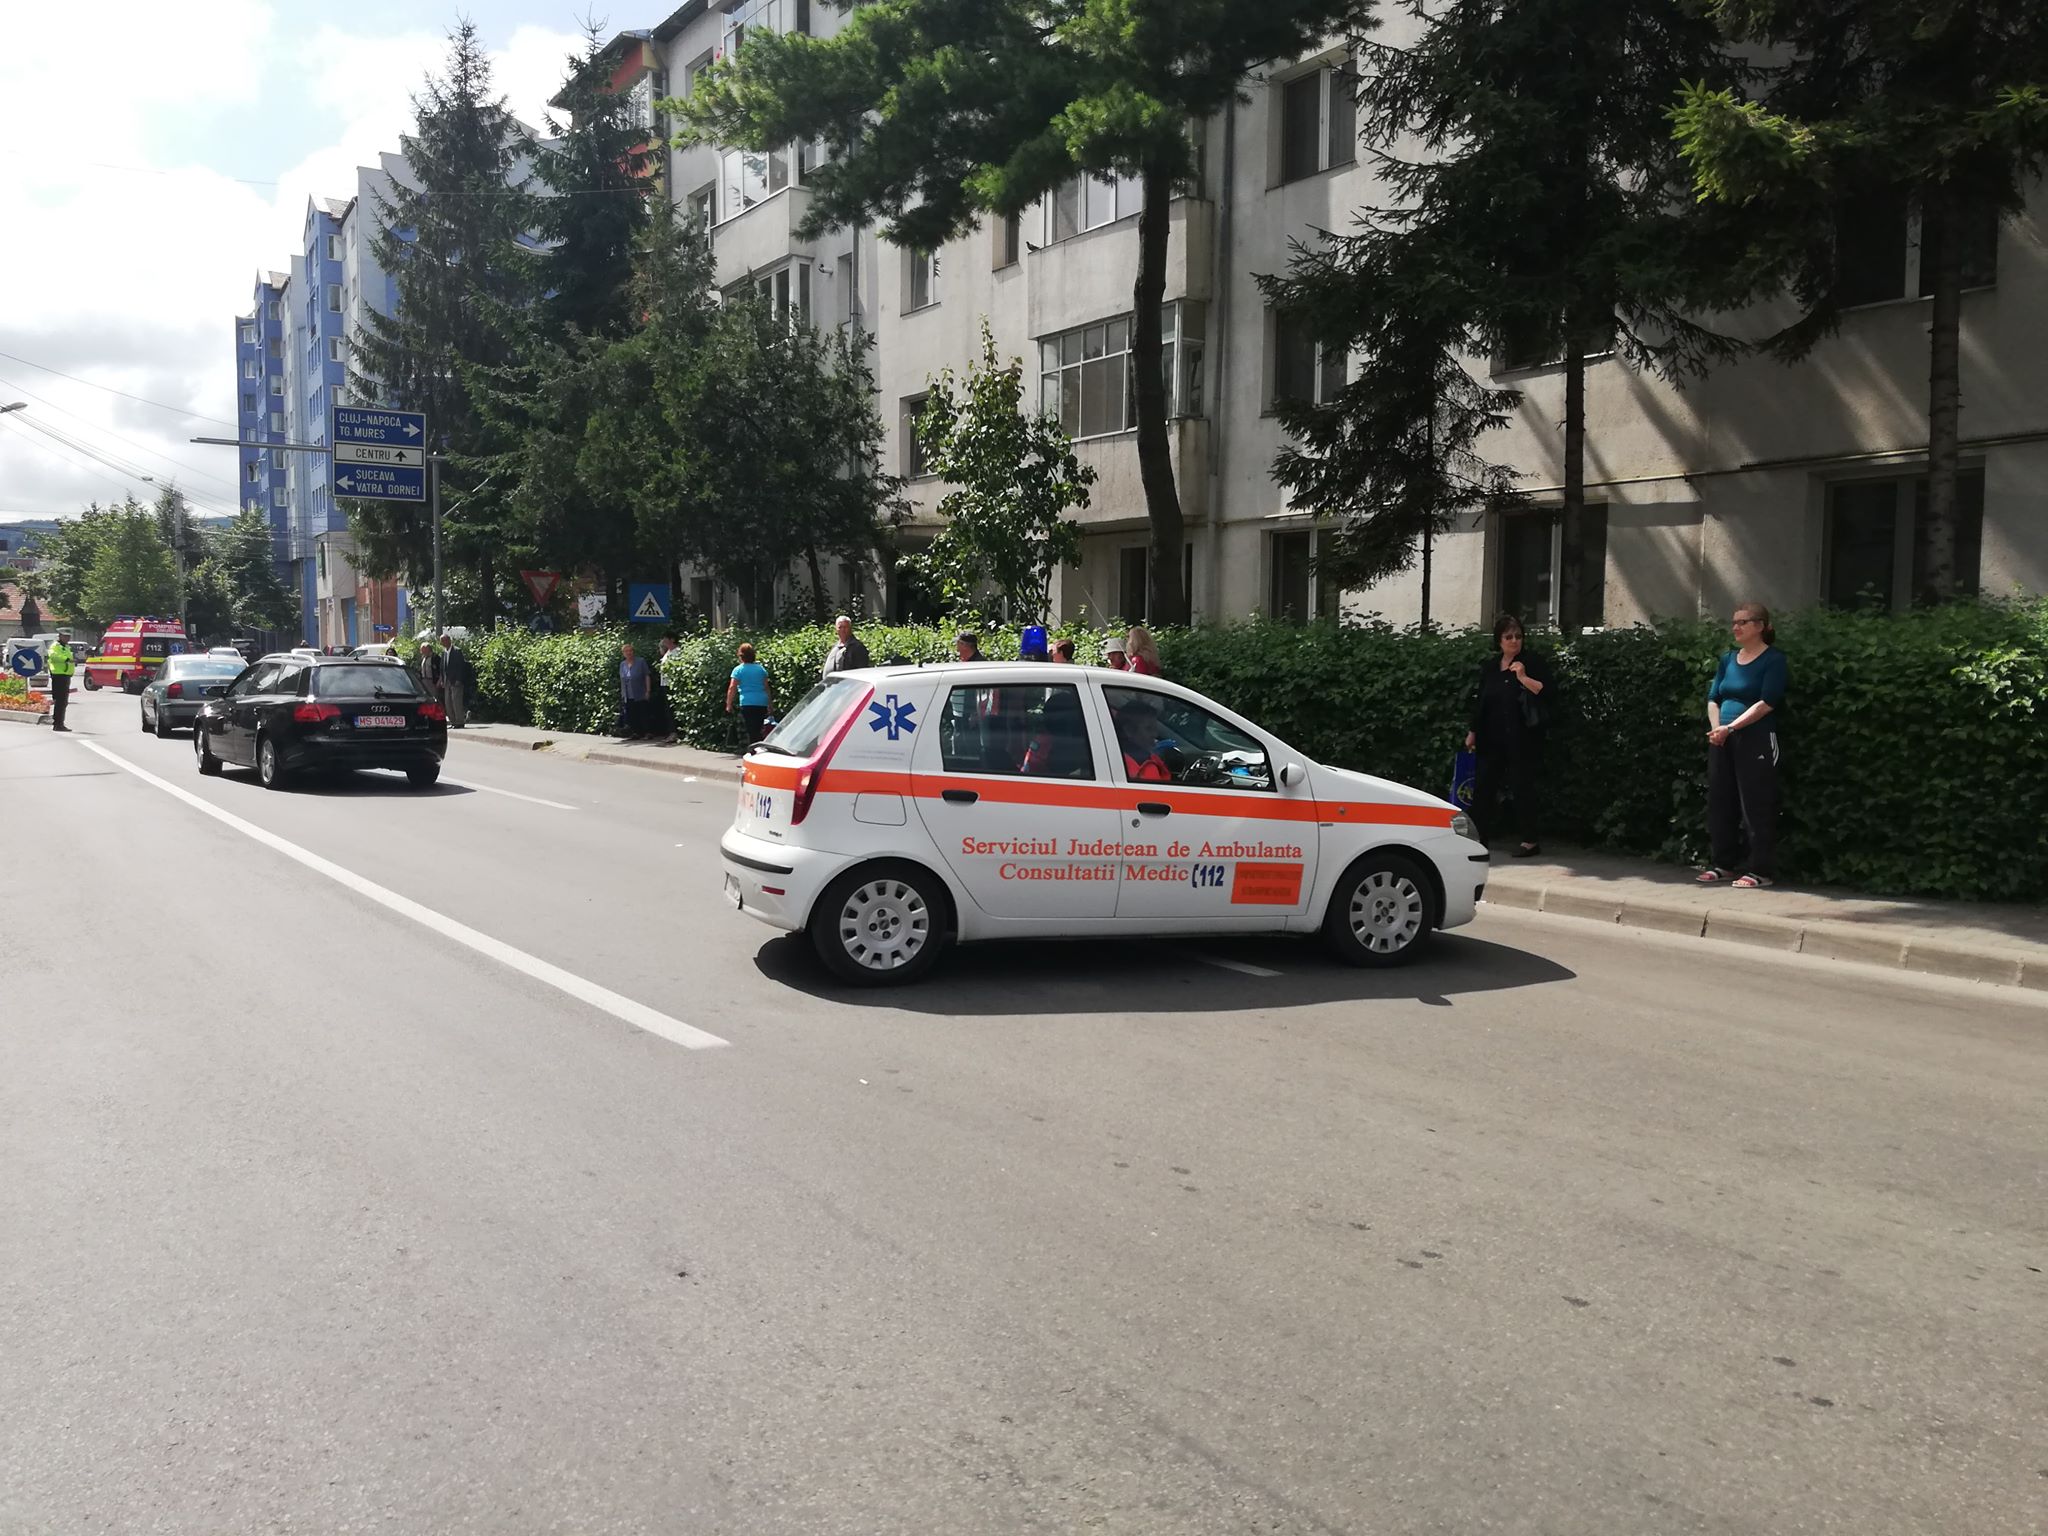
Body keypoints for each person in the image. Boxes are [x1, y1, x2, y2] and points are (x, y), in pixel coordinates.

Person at [1699, 600, 1789, 889]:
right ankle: (1724, 864)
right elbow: (1714, 697)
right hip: (1721, 739)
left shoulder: (1773, 660)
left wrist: (1731, 727)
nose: (1735, 627)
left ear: (1760, 626)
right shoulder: (1728, 659)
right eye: (1734, 622)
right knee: (1720, 802)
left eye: (1743, 622)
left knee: (1756, 803)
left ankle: (1760, 870)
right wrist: (1718, 729)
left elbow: (1767, 702)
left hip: (1756, 739)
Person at [1464, 613, 1552, 857]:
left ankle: (1530, 840)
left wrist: (1522, 677)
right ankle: (1479, 838)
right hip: (1491, 737)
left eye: (1518, 636)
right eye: (1509, 637)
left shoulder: (1532, 662)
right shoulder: (1491, 667)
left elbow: (1546, 691)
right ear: (1499, 640)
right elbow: (1481, 703)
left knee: (1522, 786)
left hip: (1521, 738)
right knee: (1483, 787)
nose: (1514, 641)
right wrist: (1473, 731)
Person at [727, 642, 772, 743]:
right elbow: (766, 688)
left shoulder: (738, 670)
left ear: (741, 656)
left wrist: (729, 704)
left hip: (747, 702)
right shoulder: (761, 669)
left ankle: (753, 748)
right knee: (758, 727)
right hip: (761, 702)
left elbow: (732, 687)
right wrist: (770, 705)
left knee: (751, 729)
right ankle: (758, 746)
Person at [618, 642, 652, 739]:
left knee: (643, 713)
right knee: (632, 714)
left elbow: (647, 676)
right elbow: (622, 679)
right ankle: (636, 732)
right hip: (628, 693)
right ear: (623, 653)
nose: (629, 653)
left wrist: (648, 690)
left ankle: (647, 732)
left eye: (630, 651)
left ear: (633, 652)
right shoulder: (622, 664)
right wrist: (623, 694)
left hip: (640, 691)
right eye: (626, 651)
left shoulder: (641, 661)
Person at [46, 627, 75, 732]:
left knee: (63, 702)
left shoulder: (66, 647)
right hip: (58, 675)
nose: (67, 638)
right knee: (60, 701)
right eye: (65, 636)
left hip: (65, 675)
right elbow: (53, 656)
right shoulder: (55, 646)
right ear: (60, 636)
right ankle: (57, 724)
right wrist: (66, 659)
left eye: (69, 637)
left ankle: (59, 723)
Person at [653, 636, 680, 745]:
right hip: (665, 684)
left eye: (665, 639)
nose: (663, 641)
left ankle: (674, 732)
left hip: (671, 684)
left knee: (671, 710)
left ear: (672, 640)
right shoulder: (668, 652)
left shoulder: (677, 652)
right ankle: (670, 732)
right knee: (667, 710)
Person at [442, 634, 472, 728]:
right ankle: (453, 721)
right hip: (447, 681)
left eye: (444, 640)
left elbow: (460, 667)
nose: (442, 643)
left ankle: (459, 722)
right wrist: (442, 679)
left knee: (456, 702)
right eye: (441, 641)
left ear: (449, 640)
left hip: (455, 680)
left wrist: (459, 679)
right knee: (448, 702)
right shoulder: (444, 652)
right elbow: (442, 667)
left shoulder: (457, 651)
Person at [419, 634, 446, 707]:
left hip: (433, 681)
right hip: (424, 680)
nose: (421, 651)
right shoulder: (423, 658)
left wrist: (439, 681)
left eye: (423, 650)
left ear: (428, 649)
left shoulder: (435, 658)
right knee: (427, 698)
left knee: (435, 697)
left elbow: (441, 670)